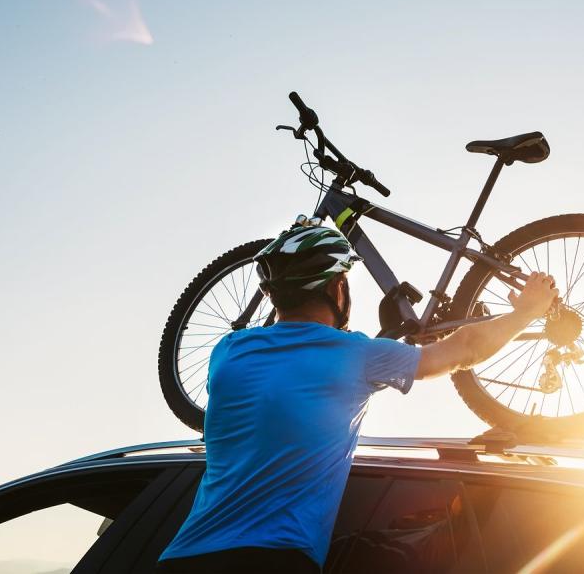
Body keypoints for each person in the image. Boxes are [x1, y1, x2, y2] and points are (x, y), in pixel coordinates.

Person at [157, 225, 558, 573]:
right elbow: (461, 350)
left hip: (184, 557)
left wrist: (382, 343)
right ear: (338, 287)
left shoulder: (228, 353)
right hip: (271, 561)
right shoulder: (356, 356)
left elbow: (288, 392)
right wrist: (527, 311)